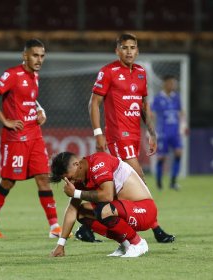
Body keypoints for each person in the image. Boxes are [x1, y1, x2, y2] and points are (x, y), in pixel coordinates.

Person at [87, 33, 175, 243]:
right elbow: (94, 103)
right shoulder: (108, 72)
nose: (129, 51)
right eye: (124, 47)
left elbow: (143, 105)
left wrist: (151, 132)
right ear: (117, 50)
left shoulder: (141, 73)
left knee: (115, 187)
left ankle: (88, 222)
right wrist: (98, 133)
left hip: (134, 135)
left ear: (137, 51)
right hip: (118, 136)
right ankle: (156, 229)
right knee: (139, 181)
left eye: (132, 47)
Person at [0, 39, 62, 239]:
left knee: (43, 177)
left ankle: (54, 227)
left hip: (35, 135)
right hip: (15, 138)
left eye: (42, 56)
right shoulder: (12, 74)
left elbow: (29, 99)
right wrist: (5, 120)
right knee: (8, 181)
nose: (39, 59)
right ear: (24, 55)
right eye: (35, 55)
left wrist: (40, 110)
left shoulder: (35, 76)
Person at [50, 151, 159, 258]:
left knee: (104, 210)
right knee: (82, 212)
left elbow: (107, 196)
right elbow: (72, 210)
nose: (70, 182)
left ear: (77, 164)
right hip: (124, 211)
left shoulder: (99, 163)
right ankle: (126, 244)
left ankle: (137, 243)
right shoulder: (80, 177)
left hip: (144, 211)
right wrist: (61, 244)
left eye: (69, 178)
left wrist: (75, 193)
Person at [151, 75, 188, 190]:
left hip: (175, 132)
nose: (173, 86)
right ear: (165, 84)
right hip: (163, 132)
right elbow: (151, 114)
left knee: (178, 153)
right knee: (161, 158)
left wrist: (183, 125)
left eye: (174, 83)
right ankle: (159, 183)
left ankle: (173, 182)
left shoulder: (176, 97)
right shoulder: (158, 98)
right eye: (171, 83)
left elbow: (181, 112)